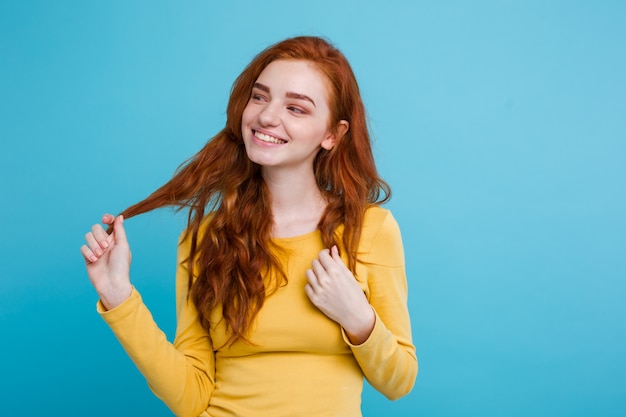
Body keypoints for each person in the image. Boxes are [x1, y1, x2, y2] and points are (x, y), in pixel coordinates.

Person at [80, 36, 417, 417]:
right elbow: (191, 397)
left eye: (296, 107)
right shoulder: (205, 238)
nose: (267, 116)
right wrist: (118, 297)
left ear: (332, 135)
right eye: (260, 97)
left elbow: (399, 381)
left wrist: (358, 318)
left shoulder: (370, 230)